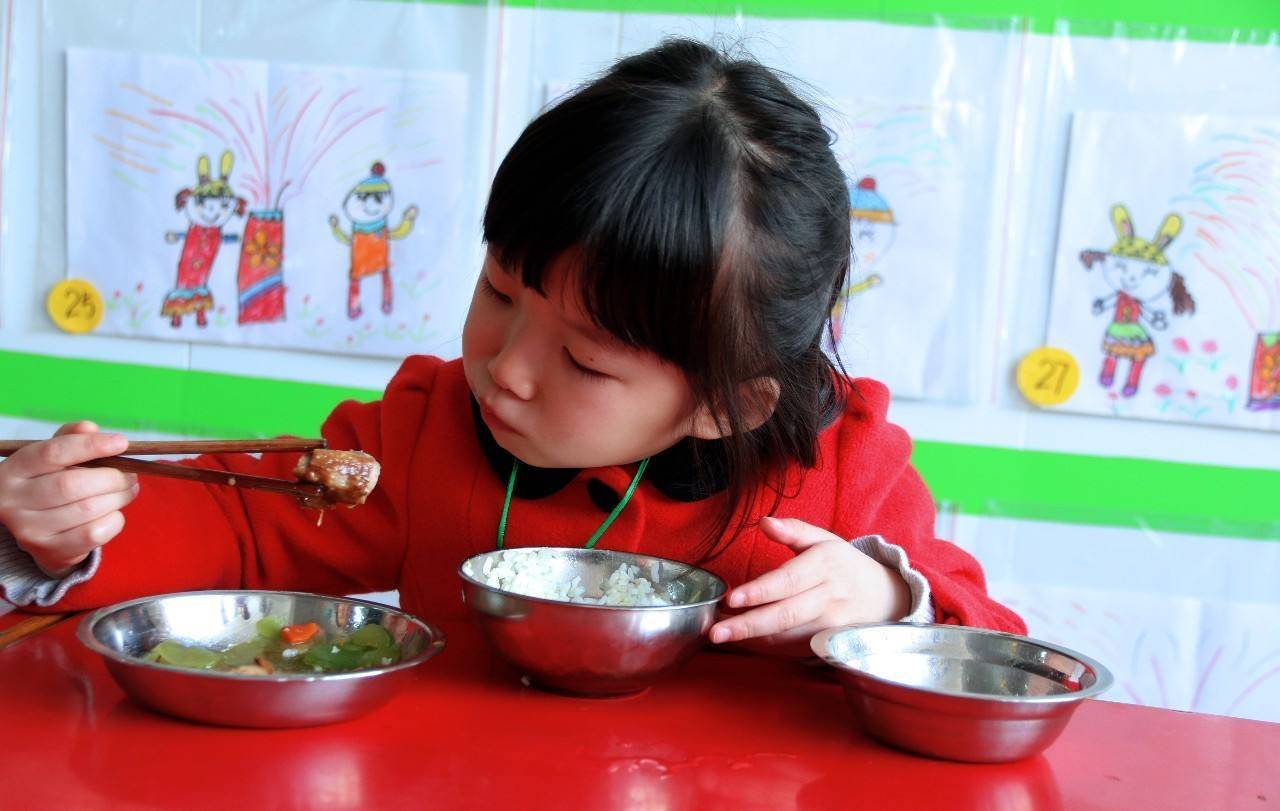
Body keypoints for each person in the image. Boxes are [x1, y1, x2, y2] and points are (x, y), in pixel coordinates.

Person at [0, 39, 1023, 655]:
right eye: (498, 292)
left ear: (731, 403)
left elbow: (988, 652)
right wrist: (65, 534)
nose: (506, 367)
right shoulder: (425, 433)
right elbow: (244, 527)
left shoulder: (837, 480)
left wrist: (887, 602)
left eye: (585, 363)